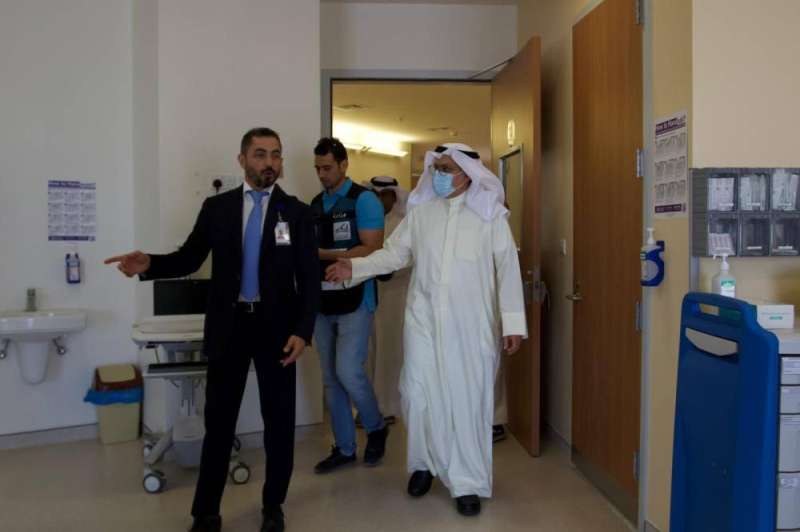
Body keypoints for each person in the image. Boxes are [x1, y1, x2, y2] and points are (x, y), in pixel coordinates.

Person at [105, 127, 319, 532]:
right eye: (260, 154)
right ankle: (206, 512)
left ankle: (273, 506)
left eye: (275, 154)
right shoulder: (218, 208)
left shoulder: (296, 213)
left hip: (277, 330)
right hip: (229, 327)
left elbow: (309, 278)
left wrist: (303, 330)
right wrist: (149, 263)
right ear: (242, 160)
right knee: (219, 423)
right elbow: (189, 258)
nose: (269, 162)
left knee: (279, 424)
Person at [326, 143, 527, 517]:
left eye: (447, 169)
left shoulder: (491, 217)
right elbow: (394, 254)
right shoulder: (420, 215)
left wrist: (513, 322)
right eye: (436, 168)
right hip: (423, 323)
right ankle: (423, 465)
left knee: (467, 401)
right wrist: (355, 268)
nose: (439, 175)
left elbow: (508, 270)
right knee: (417, 394)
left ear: (467, 175)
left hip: (471, 327)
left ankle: (467, 482)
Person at [310, 138, 389, 474]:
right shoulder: (316, 203)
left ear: (344, 165)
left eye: (327, 168)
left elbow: (372, 248)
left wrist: (324, 255)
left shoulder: (364, 200)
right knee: (330, 378)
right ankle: (344, 447)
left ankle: (375, 427)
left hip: (356, 299)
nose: (321, 174)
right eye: (317, 168)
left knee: (348, 371)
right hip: (322, 299)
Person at [364, 176, 410, 423]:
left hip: (395, 295)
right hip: (368, 294)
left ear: (395, 196)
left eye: (386, 195)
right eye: (377, 195)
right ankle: (369, 406)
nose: (381, 200)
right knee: (368, 351)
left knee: (390, 352)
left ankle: (388, 407)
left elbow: (411, 257)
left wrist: (387, 270)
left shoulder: (404, 222)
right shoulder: (367, 221)